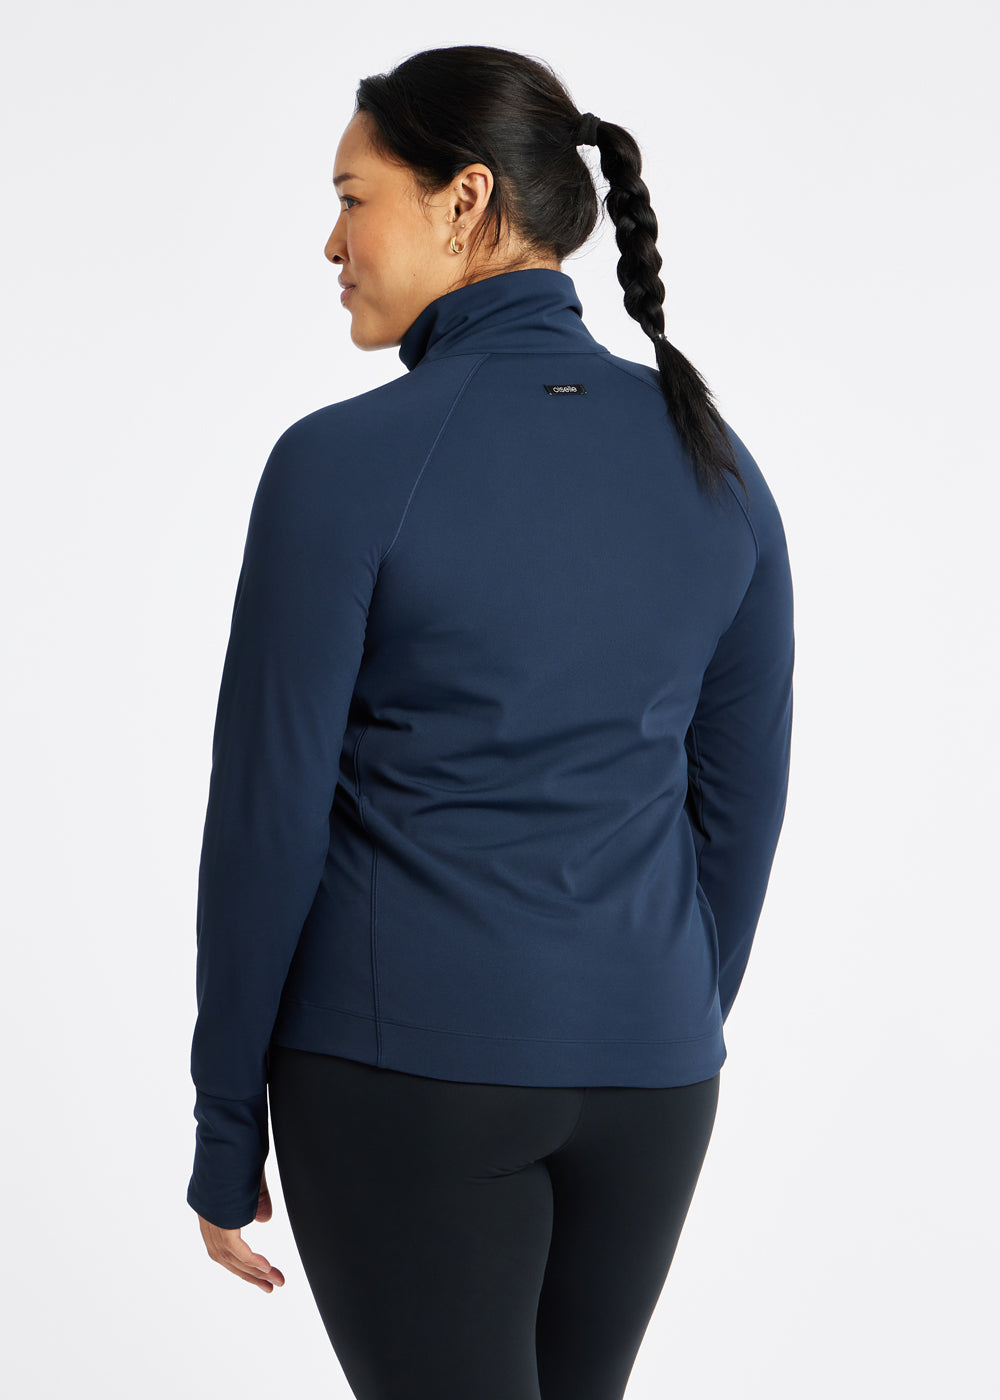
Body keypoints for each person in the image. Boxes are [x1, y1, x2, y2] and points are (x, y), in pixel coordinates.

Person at [187, 42, 795, 1400]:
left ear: (465, 200)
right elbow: (742, 802)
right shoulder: (716, 462)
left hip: (407, 1076)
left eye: (353, 199)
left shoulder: (342, 466)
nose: (331, 243)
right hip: (651, 1087)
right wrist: (653, 1016)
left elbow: (268, 819)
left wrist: (226, 1121)